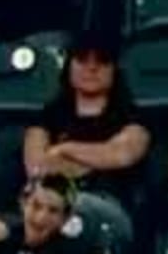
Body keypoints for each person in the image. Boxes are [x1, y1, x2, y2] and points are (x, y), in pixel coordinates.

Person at [23, 36, 147, 240]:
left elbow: (121, 155)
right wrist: (96, 159)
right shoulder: (47, 117)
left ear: (114, 69)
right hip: (49, 205)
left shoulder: (133, 117)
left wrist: (63, 151)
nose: (91, 68)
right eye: (82, 60)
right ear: (69, 66)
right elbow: (37, 168)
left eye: (101, 62)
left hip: (109, 207)